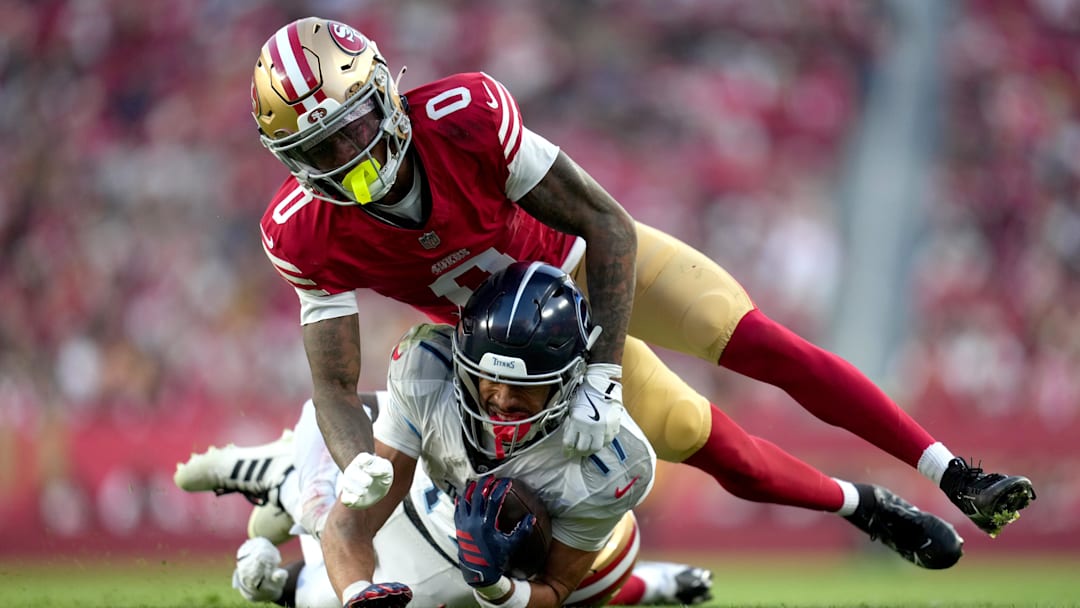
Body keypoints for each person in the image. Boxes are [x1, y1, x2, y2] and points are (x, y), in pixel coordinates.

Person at [248, 15, 1033, 550]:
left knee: (766, 347)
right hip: (514, 346)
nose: (350, 156)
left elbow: (610, 226)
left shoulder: (466, 115)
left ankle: (952, 472)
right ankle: (866, 507)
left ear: (383, 91)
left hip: (589, 266)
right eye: (323, 149)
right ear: (292, 163)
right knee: (717, 449)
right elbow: (336, 384)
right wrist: (358, 465)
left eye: (353, 126)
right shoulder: (302, 230)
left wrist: (606, 371)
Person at [177, 263, 964, 607]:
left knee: (681, 445)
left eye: (520, 390)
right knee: (341, 494)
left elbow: (552, 588)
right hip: (424, 487)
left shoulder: (613, 457)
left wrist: (496, 585)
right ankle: (282, 481)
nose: (498, 403)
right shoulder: (431, 371)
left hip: (582, 299)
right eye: (487, 382)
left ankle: (864, 499)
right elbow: (365, 508)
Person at [177, 398, 714, 607]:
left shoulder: (561, 579)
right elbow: (342, 408)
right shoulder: (524, 469)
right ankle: (300, 494)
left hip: (421, 547)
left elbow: (602, 591)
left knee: (325, 590)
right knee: (348, 486)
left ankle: (296, 504)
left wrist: (665, 583)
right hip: (402, 509)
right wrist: (665, 582)